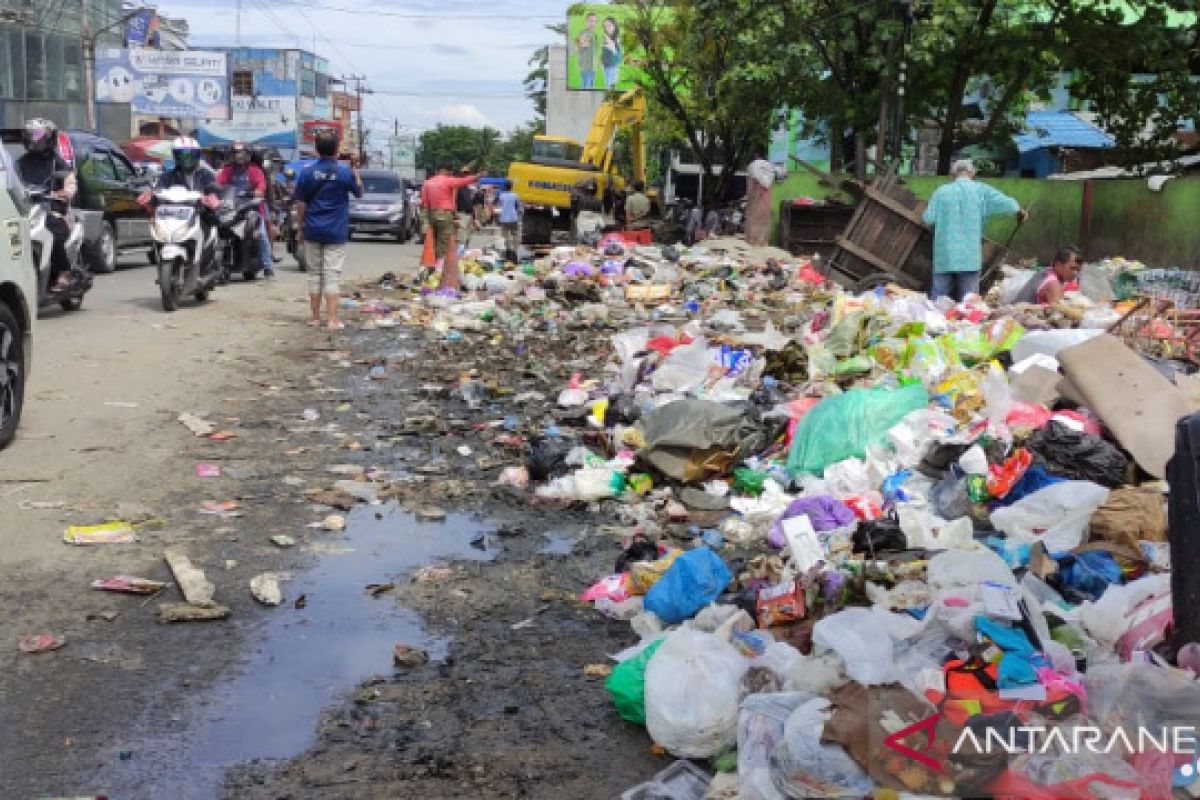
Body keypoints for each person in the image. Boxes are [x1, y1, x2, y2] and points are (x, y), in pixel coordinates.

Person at [922, 158, 1027, 302]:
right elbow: (1008, 204)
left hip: (945, 255)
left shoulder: (941, 192)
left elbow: (928, 218)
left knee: (938, 298)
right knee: (969, 301)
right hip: (969, 255)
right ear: (971, 173)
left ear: (953, 174)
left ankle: (935, 322)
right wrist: (1019, 211)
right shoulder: (981, 190)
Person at [294, 130, 363, 330]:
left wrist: (300, 227)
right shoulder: (344, 171)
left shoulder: (307, 172)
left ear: (316, 149)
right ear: (336, 149)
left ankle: (315, 317)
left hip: (313, 229)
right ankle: (332, 319)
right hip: (336, 230)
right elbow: (359, 192)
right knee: (332, 274)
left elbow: (300, 204)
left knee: (314, 274)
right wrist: (355, 168)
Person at [217, 141, 274, 277]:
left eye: (241, 154)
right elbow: (218, 184)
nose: (238, 157)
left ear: (248, 155)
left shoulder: (255, 170)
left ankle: (267, 264)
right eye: (236, 153)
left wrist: (258, 191)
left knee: (261, 234)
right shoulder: (227, 170)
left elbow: (261, 186)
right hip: (231, 206)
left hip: (250, 206)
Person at [420, 164, 481, 282]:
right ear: (445, 171)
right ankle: (440, 268)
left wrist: (425, 221)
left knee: (434, 241)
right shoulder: (447, 181)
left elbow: (425, 204)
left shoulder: (427, 183)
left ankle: (432, 267)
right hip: (445, 214)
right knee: (445, 241)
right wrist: (477, 176)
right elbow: (464, 181)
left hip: (432, 214)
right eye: (449, 172)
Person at [15, 118, 71, 191]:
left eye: (44, 138)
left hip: (50, 200)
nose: (37, 142)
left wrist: (64, 192)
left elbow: (69, 178)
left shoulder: (55, 160)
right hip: (26, 200)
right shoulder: (21, 163)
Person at [496, 180, 523, 262]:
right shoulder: (515, 195)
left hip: (504, 219)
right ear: (511, 187)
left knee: (505, 236)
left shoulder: (501, 195)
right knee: (515, 236)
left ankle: (508, 250)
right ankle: (514, 252)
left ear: (504, 187)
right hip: (513, 219)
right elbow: (518, 206)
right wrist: (519, 213)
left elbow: (499, 205)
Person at [574, 13, 599, 89]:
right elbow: (577, 49)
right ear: (586, 22)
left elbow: (594, 51)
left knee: (591, 87)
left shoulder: (595, 34)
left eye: (595, 21)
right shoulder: (583, 33)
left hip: (593, 67)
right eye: (591, 21)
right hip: (585, 66)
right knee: (586, 88)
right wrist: (583, 42)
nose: (593, 23)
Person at [455, 170, 476, 249]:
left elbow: (470, 203)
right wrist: (455, 214)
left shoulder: (468, 189)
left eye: (468, 175)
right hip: (461, 214)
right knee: (462, 236)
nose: (468, 177)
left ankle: (464, 252)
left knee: (468, 236)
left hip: (469, 215)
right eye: (465, 175)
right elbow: (454, 201)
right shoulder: (457, 188)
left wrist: (474, 218)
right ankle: (460, 254)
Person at [601, 16, 623, 89]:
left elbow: (620, 57)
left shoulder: (617, 39)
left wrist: (613, 49)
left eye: (609, 25)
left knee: (609, 86)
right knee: (610, 85)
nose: (607, 28)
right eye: (605, 26)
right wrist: (602, 59)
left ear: (615, 26)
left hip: (612, 67)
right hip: (607, 66)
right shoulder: (607, 37)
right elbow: (605, 51)